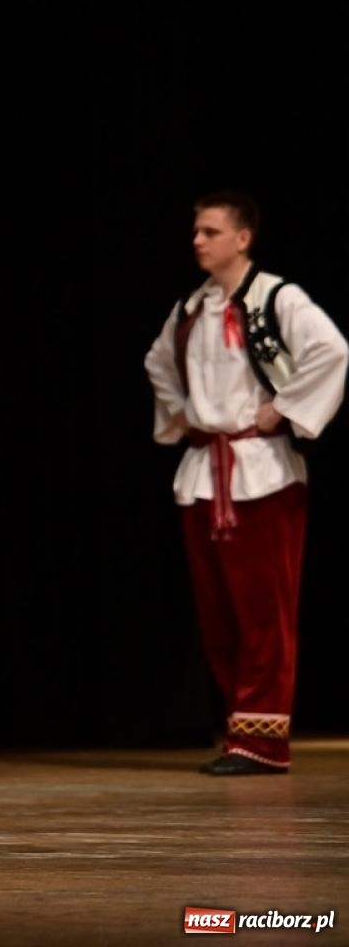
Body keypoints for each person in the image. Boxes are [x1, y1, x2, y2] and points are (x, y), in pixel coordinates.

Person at [144, 190, 347, 774]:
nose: (198, 241)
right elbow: (157, 362)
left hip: (262, 474)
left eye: (209, 231)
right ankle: (242, 731)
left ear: (242, 237)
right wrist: (183, 415)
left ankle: (263, 740)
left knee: (264, 611)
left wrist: (282, 408)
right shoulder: (192, 309)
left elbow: (332, 351)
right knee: (220, 613)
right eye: (196, 231)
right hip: (207, 475)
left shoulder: (275, 297)